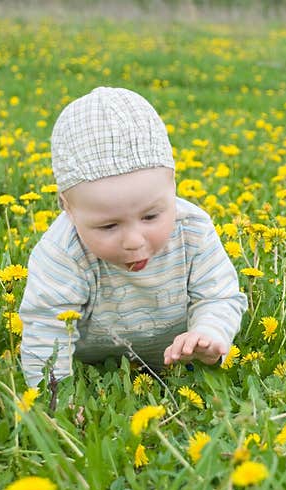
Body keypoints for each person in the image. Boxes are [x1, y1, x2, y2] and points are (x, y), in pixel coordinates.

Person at [18, 86, 247, 389]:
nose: (133, 241)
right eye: (108, 226)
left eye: (151, 217)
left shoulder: (193, 230)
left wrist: (208, 332)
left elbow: (219, 295)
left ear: (173, 187)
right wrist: (56, 405)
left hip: (177, 363)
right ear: (68, 209)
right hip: (100, 368)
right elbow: (46, 333)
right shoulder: (62, 253)